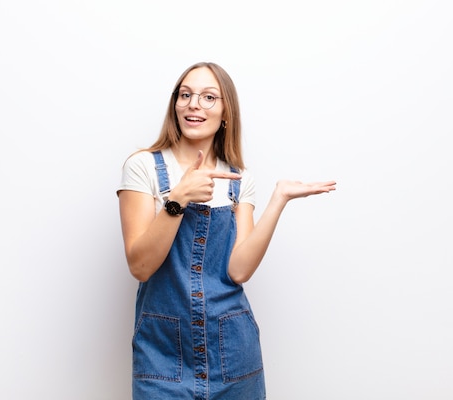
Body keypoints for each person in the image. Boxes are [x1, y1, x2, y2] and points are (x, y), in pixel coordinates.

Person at [117, 61, 336, 400]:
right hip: (162, 356)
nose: (194, 104)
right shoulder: (143, 166)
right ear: (175, 104)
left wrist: (278, 200)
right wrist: (178, 198)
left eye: (209, 97)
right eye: (186, 94)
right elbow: (141, 266)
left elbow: (239, 270)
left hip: (233, 350)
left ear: (225, 113)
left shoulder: (238, 179)